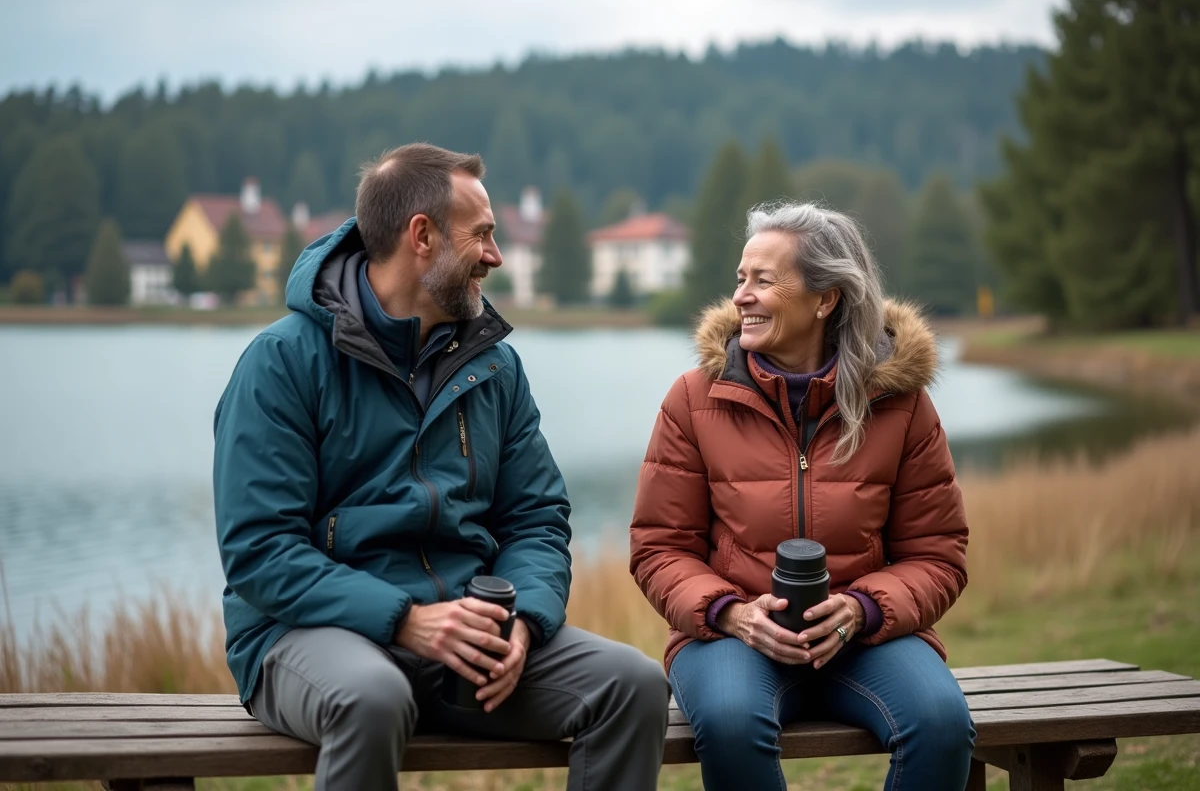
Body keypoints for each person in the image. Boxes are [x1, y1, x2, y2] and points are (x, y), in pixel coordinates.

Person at [213, 143, 669, 791]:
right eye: (482, 234)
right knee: (371, 697)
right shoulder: (282, 363)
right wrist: (404, 619)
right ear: (421, 237)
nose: (496, 255)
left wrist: (526, 619)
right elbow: (260, 551)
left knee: (632, 686)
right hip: (304, 637)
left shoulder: (495, 367)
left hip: (463, 636)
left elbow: (536, 517)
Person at [629, 201, 975, 790]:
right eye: (741, 279)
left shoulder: (902, 404)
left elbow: (938, 554)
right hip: (731, 638)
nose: (742, 295)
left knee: (941, 723)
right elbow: (658, 548)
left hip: (865, 637)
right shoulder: (693, 399)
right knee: (733, 724)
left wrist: (862, 609)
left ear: (825, 299)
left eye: (764, 280)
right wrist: (731, 613)